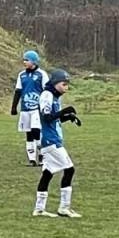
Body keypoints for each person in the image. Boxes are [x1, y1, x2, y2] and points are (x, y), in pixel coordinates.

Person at [33, 68, 82, 217]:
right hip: (50, 140)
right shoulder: (47, 95)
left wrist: (68, 117)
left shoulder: (54, 97)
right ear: (55, 83)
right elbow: (47, 117)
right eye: (64, 84)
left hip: (52, 139)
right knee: (69, 169)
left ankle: (39, 209)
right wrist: (65, 111)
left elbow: (55, 119)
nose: (66, 88)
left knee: (47, 173)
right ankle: (64, 207)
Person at [10, 50, 46, 165]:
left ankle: (41, 155)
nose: (24, 62)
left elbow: (47, 91)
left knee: (36, 131)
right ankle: (31, 159)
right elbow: (18, 91)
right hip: (25, 109)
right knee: (28, 133)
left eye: (27, 60)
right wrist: (14, 107)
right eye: (24, 60)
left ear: (34, 61)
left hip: (37, 109)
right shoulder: (22, 75)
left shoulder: (41, 74)